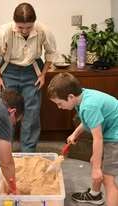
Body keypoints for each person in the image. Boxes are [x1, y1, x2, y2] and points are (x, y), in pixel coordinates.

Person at [0, 2, 56, 152]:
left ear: (34, 23)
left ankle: (28, 152)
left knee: (31, 111)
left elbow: (51, 53)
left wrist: (43, 75)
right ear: (14, 22)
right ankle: (5, 150)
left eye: (29, 27)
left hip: (33, 70)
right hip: (8, 70)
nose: (24, 31)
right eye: (20, 27)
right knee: (5, 110)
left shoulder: (43, 31)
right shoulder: (4, 32)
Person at [47, 72, 118, 206]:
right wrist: (75, 133)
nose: (59, 107)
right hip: (110, 129)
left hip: (115, 135)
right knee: (94, 161)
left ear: (70, 96)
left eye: (59, 103)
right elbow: (88, 121)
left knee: (108, 179)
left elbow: (98, 139)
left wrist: (97, 169)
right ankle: (95, 195)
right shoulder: (82, 97)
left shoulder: (88, 106)